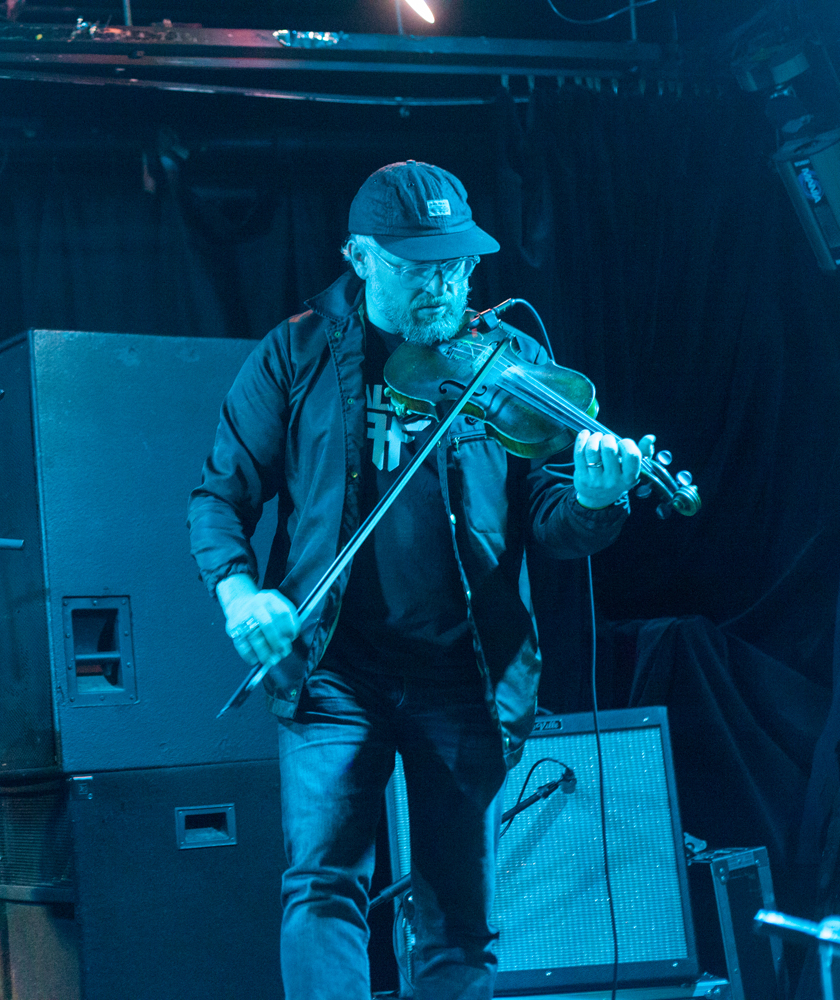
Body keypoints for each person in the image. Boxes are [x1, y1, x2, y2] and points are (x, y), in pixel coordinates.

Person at [187, 161, 649, 1000]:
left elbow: (549, 517)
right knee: (323, 884)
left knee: (458, 921)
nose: (445, 284)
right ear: (360, 257)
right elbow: (219, 496)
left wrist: (592, 501)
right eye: (418, 265)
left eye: (458, 263)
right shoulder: (296, 352)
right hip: (333, 666)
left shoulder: (509, 360)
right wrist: (239, 591)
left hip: (463, 671)